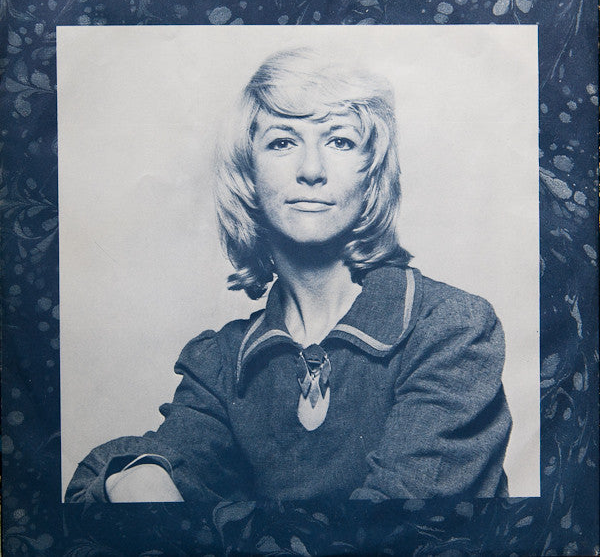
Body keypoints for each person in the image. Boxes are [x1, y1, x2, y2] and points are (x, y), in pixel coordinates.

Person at [66, 47, 512, 503]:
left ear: (372, 174)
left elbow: (392, 524)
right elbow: (115, 483)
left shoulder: (450, 328)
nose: (312, 170)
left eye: (340, 142)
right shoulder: (220, 363)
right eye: (282, 142)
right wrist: (141, 480)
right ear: (248, 174)